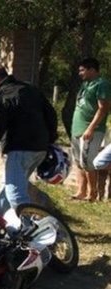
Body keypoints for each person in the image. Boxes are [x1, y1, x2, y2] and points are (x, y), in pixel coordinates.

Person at [0, 63, 58, 213]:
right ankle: (0, 219)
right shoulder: (30, 89)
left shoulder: (0, 96)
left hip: (19, 149)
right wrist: (50, 140)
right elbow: (51, 115)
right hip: (40, 148)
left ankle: (28, 228)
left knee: (15, 192)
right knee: (9, 184)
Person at [70, 57, 111, 202]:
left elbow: (103, 108)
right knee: (78, 161)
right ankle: (80, 191)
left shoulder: (102, 84)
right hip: (77, 129)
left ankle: (92, 193)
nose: (80, 73)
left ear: (92, 69)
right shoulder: (86, 84)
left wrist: (90, 128)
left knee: (88, 162)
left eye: (82, 70)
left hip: (90, 130)